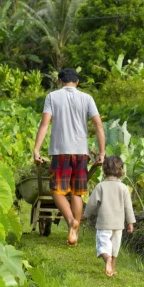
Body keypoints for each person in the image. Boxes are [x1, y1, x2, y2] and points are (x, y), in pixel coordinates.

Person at [33, 68, 105, 246]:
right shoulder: (87, 98)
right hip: (81, 152)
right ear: (77, 82)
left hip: (60, 151)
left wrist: (36, 149)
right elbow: (98, 126)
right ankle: (74, 232)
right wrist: (102, 153)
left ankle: (71, 221)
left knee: (57, 191)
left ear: (59, 81)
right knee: (77, 193)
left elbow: (44, 124)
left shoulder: (52, 97)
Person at [82, 156, 135, 276]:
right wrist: (130, 223)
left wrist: (85, 215)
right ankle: (112, 268)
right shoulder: (124, 188)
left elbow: (91, 203)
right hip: (118, 224)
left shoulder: (100, 186)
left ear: (104, 170)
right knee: (115, 247)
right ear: (121, 170)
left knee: (103, 245)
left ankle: (107, 260)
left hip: (104, 223)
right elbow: (128, 207)